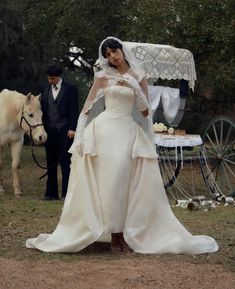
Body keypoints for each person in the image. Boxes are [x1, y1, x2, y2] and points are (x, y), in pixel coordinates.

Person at [26, 37, 218, 254]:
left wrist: (135, 87)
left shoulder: (139, 76)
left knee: (122, 179)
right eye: (107, 54)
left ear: (122, 50)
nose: (112, 57)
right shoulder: (102, 76)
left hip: (127, 131)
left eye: (114, 51)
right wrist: (79, 137)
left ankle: (123, 232)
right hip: (103, 131)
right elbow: (87, 108)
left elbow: (146, 113)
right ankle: (112, 234)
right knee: (106, 181)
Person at [40, 65, 79, 200]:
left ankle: (66, 193)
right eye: (49, 78)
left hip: (65, 130)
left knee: (65, 163)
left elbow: (74, 109)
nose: (50, 81)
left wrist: (72, 128)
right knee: (50, 162)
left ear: (58, 77)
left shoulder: (70, 89)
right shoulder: (44, 90)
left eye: (52, 78)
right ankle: (51, 193)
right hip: (49, 130)